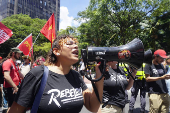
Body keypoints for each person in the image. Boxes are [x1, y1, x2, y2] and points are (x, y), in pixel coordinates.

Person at [8, 35, 104, 113]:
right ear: (56, 51)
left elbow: (92, 106)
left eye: (76, 44)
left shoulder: (76, 76)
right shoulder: (38, 74)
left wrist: (100, 76)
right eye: (70, 44)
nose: (75, 46)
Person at [1, 47, 23, 112]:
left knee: (15, 106)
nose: (19, 55)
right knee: (12, 106)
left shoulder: (14, 63)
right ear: (13, 53)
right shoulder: (7, 62)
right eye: (18, 54)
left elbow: (20, 74)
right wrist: (15, 87)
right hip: (10, 88)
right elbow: (6, 76)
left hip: (15, 87)